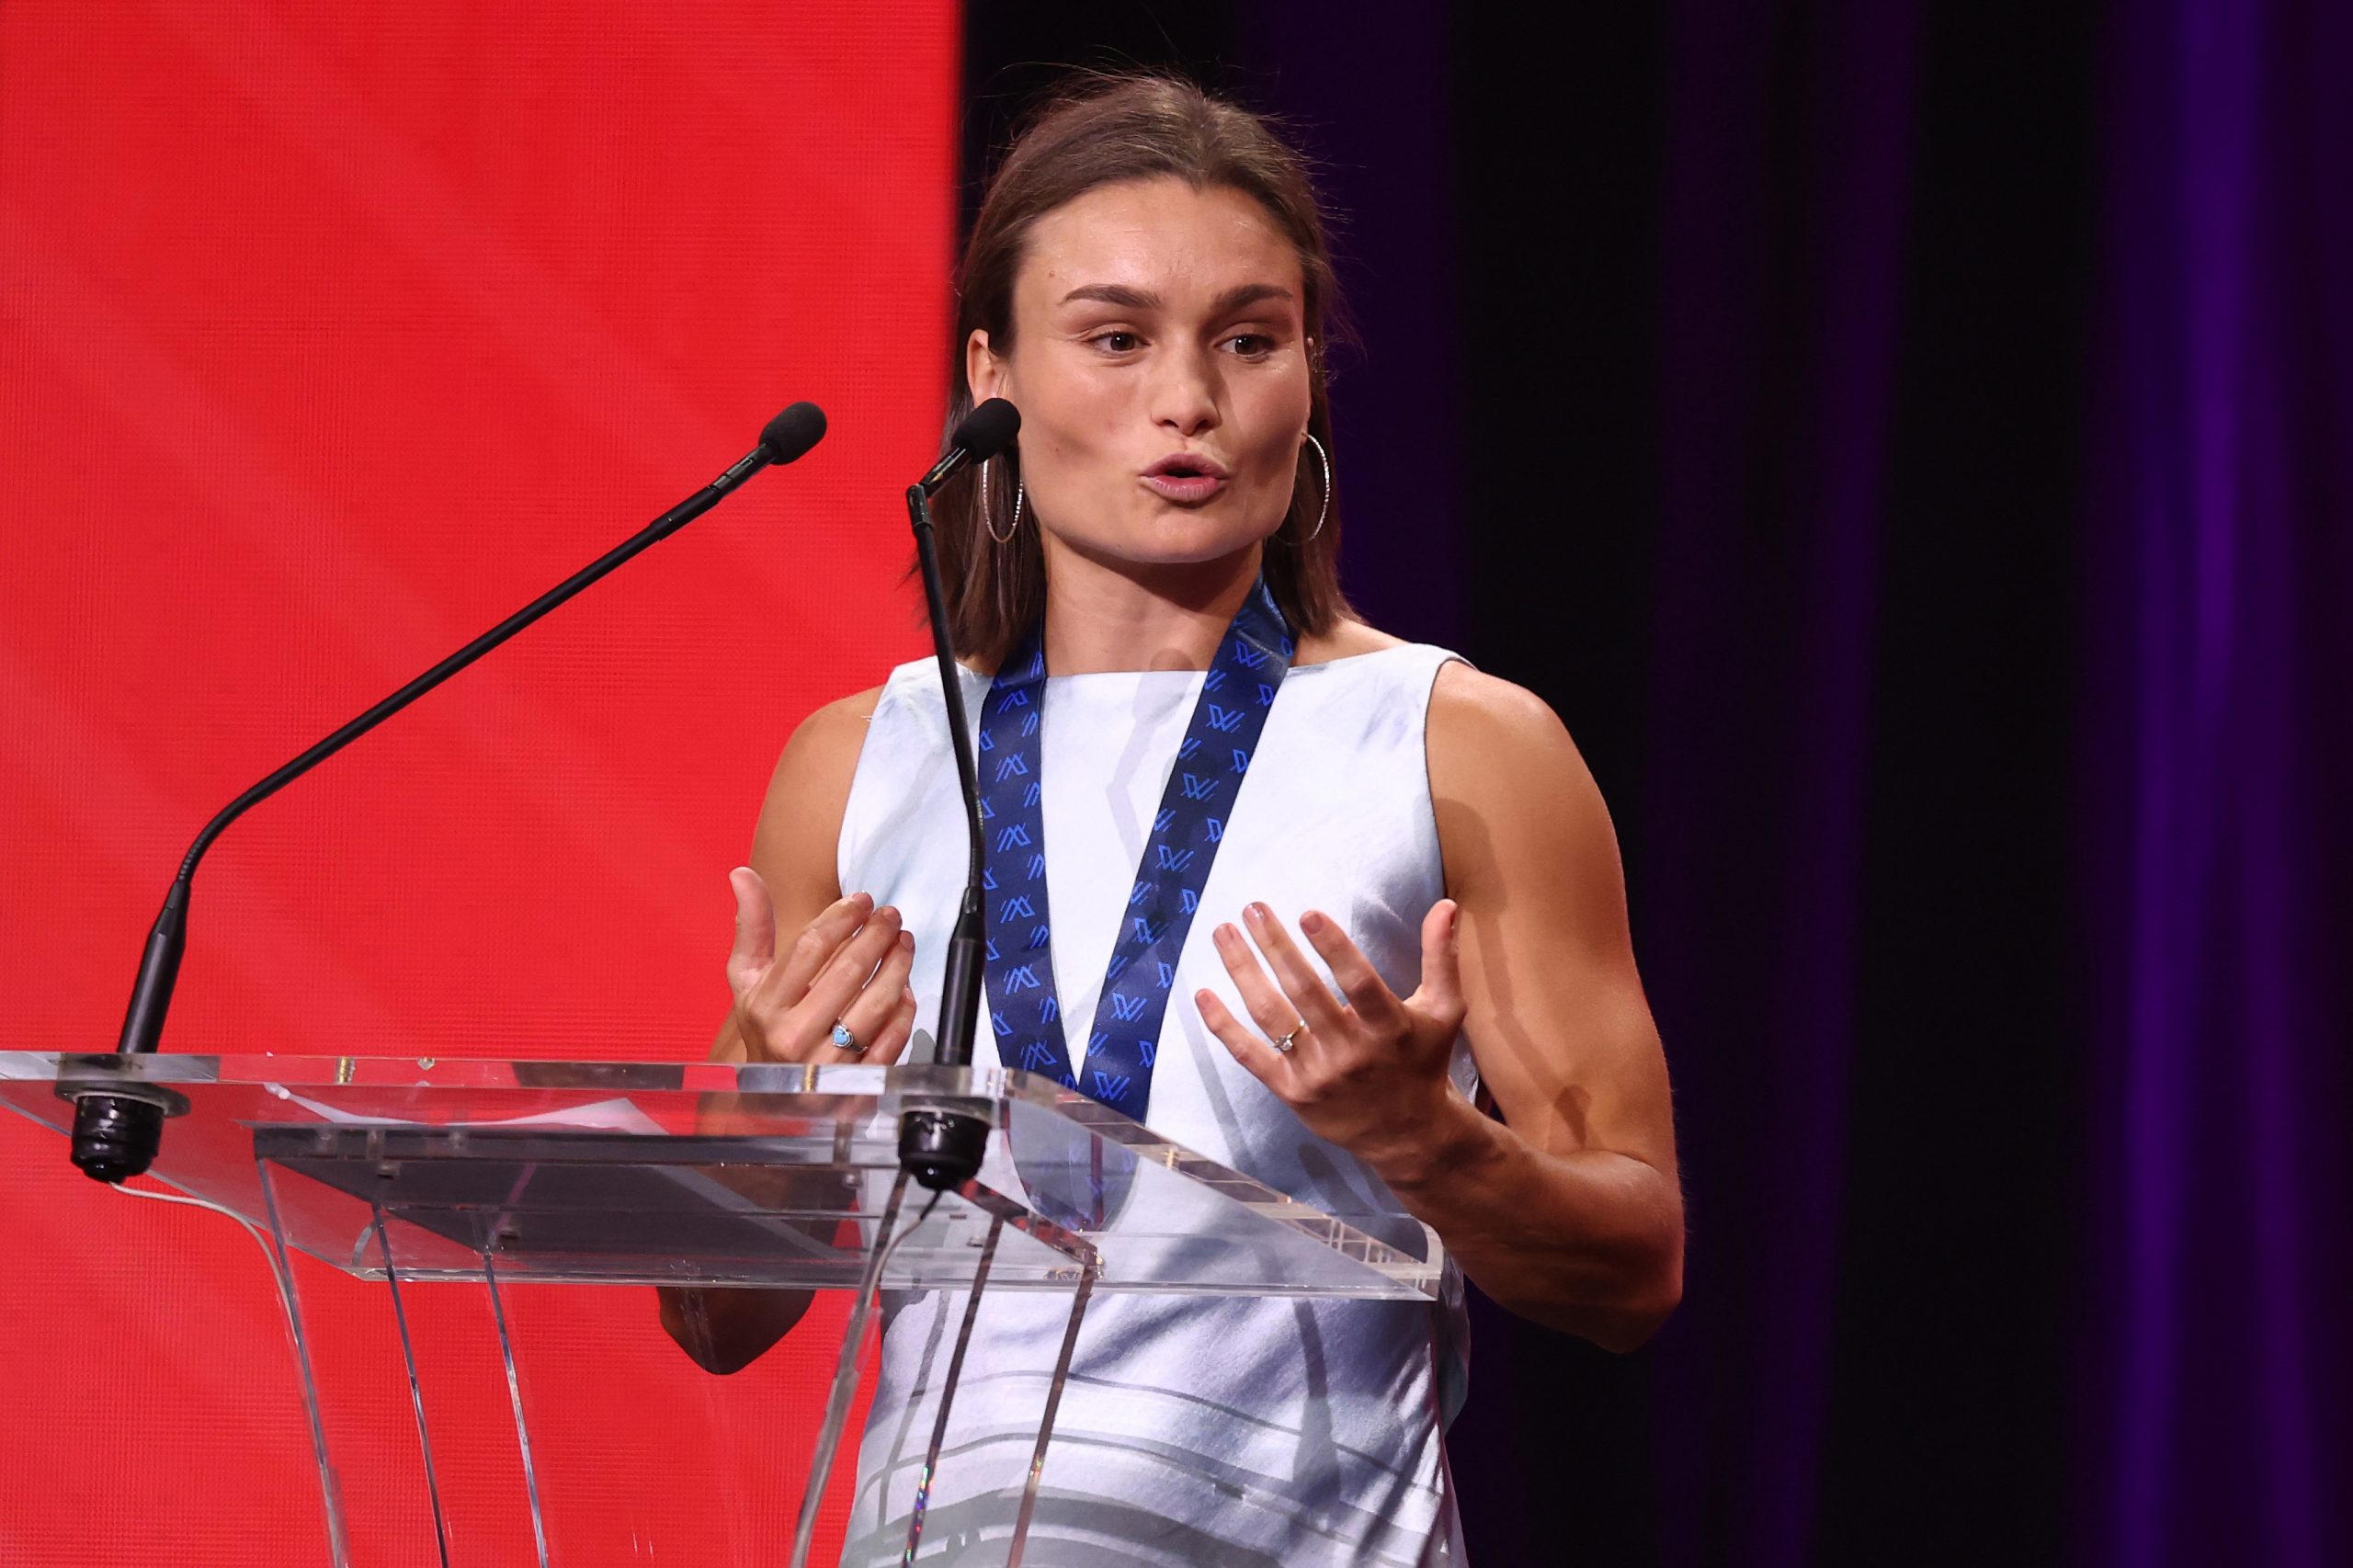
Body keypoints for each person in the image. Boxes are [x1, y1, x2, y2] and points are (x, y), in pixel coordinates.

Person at [659, 74, 1682, 1566]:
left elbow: (1632, 1267)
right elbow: (715, 1321)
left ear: (1310, 378)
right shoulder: (864, 759)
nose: (1188, 399)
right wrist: (761, 1098)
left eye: (1249, 341)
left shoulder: (1459, 742)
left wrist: (1426, 1141)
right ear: (992, 372)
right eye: (1117, 337)